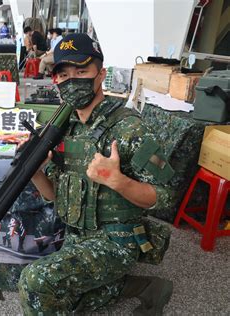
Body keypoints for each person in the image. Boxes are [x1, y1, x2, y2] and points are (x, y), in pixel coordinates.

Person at [17, 33, 175, 315]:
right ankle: (143, 287)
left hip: (117, 241)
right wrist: (35, 171)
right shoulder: (64, 129)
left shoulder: (128, 129)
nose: (71, 80)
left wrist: (118, 181)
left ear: (100, 74)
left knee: (36, 283)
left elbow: (165, 196)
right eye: (64, 74)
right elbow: (54, 194)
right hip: (76, 238)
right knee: (62, 301)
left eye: (81, 71)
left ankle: (122, 279)